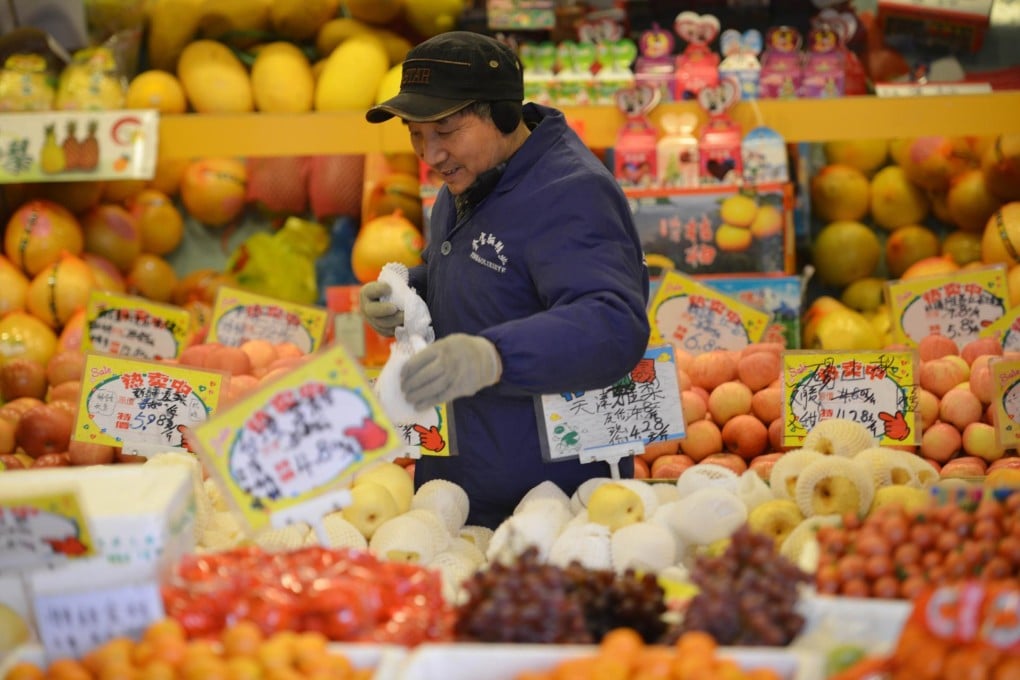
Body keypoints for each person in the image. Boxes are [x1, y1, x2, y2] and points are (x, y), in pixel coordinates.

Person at [361, 30, 650, 529]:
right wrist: (410, 291)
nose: (429, 155)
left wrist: (494, 356)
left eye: (446, 130)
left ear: (503, 114)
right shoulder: (471, 177)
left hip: (553, 504)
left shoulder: (571, 192)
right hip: (462, 488)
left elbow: (613, 323)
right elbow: (486, 272)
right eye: (416, 133)